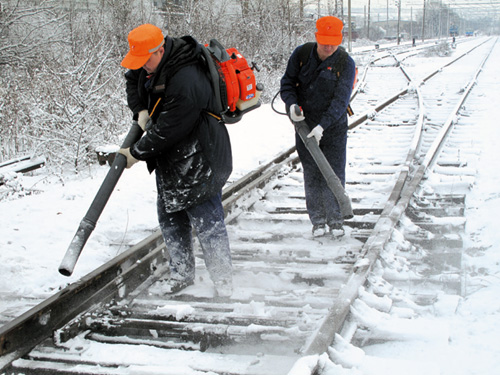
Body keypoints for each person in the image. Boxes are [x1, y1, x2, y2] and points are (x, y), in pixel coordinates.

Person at [118, 24, 233, 297]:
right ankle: (181, 275)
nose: (143, 66)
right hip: (171, 158)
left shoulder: (186, 77)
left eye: (147, 59)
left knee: (208, 223)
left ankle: (224, 283)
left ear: (160, 49)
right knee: (170, 217)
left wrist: (135, 153)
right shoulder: (150, 61)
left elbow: (169, 128)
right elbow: (131, 80)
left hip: (200, 155)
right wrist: (141, 109)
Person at [280, 16, 356, 238]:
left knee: (333, 171)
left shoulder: (345, 63)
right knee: (312, 173)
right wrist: (292, 104)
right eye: (324, 42)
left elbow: (341, 101)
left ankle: (336, 220)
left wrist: (323, 126)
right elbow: (287, 84)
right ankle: (318, 221)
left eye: (333, 42)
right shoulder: (301, 55)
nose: (328, 46)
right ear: (317, 38)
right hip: (304, 125)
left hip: (333, 126)